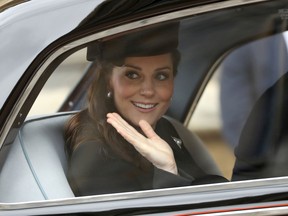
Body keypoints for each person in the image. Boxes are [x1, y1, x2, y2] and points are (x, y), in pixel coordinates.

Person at [65, 22, 227, 196]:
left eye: (161, 76)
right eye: (132, 75)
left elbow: (206, 192)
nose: (148, 91)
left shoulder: (164, 128)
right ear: (109, 81)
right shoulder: (95, 154)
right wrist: (167, 169)